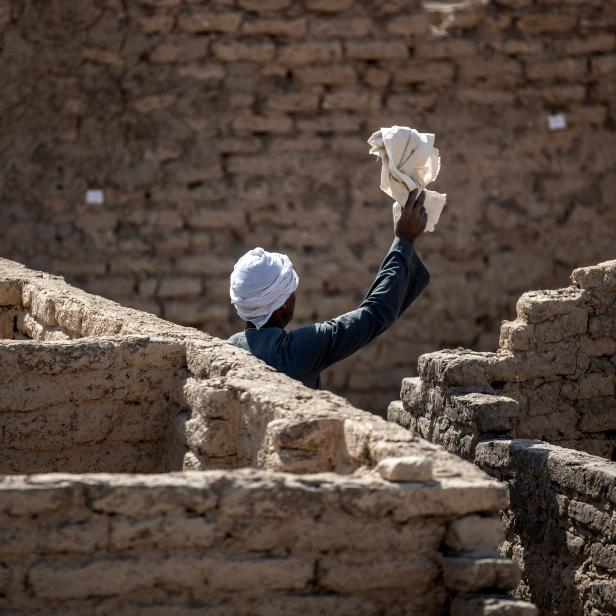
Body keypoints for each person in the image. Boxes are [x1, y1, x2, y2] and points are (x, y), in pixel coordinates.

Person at [228, 189, 430, 389]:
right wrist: (404, 240)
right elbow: (373, 313)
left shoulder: (229, 350)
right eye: (291, 292)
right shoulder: (296, 351)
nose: (294, 297)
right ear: (280, 307)